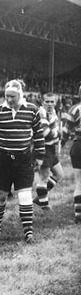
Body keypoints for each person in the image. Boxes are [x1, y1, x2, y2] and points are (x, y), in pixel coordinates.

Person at [0, 79, 45, 243]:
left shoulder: (32, 110)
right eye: (7, 96)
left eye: (13, 97)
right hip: (2, 159)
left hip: (23, 159)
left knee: (25, 195)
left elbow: (38, 134)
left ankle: (28, 232)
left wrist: (40, 156)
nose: (9, 99)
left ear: (20, 95)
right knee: (1, 195)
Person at [34, 93, 63, 210]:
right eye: (47, 101)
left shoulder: (53, 112)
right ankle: (44, 205)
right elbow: (45, 133)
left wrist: (56, 134)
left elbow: (52, 132)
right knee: (44, 178)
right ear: (42, 102)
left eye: (52, 101)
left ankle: (39, 198)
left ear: (55, 103)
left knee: (59, 174)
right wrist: (58, 134)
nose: (50, 104)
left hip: (51, 148)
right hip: (42, 148)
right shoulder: (41, 113)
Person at [62, 85, 81, 222]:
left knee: (80, 181)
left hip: (77, 146)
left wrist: (61, 145)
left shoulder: (74, 109)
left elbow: (65, 131)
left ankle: (78, 215)